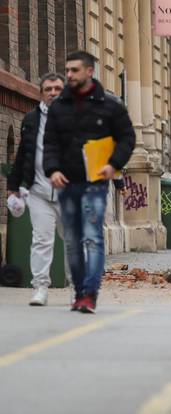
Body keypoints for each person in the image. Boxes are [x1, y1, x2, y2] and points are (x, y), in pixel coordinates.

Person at [43, 51, 136, 313]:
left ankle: (89, 294)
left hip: (95, 182)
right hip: (67, 182)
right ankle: (80, 290)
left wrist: (113, 164)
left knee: (93, 238)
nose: (69, 75)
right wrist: (52, 170)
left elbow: (127, 138)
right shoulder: (59, 106)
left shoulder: (110, 105)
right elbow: (49, 143)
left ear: (89, 72)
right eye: (68, 70)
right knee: (72, 240)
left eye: (74, 70)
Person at [7, 73, 70, 306]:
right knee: (41, 240)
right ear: (40, 93)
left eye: (57, 88)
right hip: (39, 191)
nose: (53, 92)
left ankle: (78, 287)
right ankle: (40, 287)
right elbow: (23, 154)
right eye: (48, 89)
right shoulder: (31, 119)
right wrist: (13, 186)